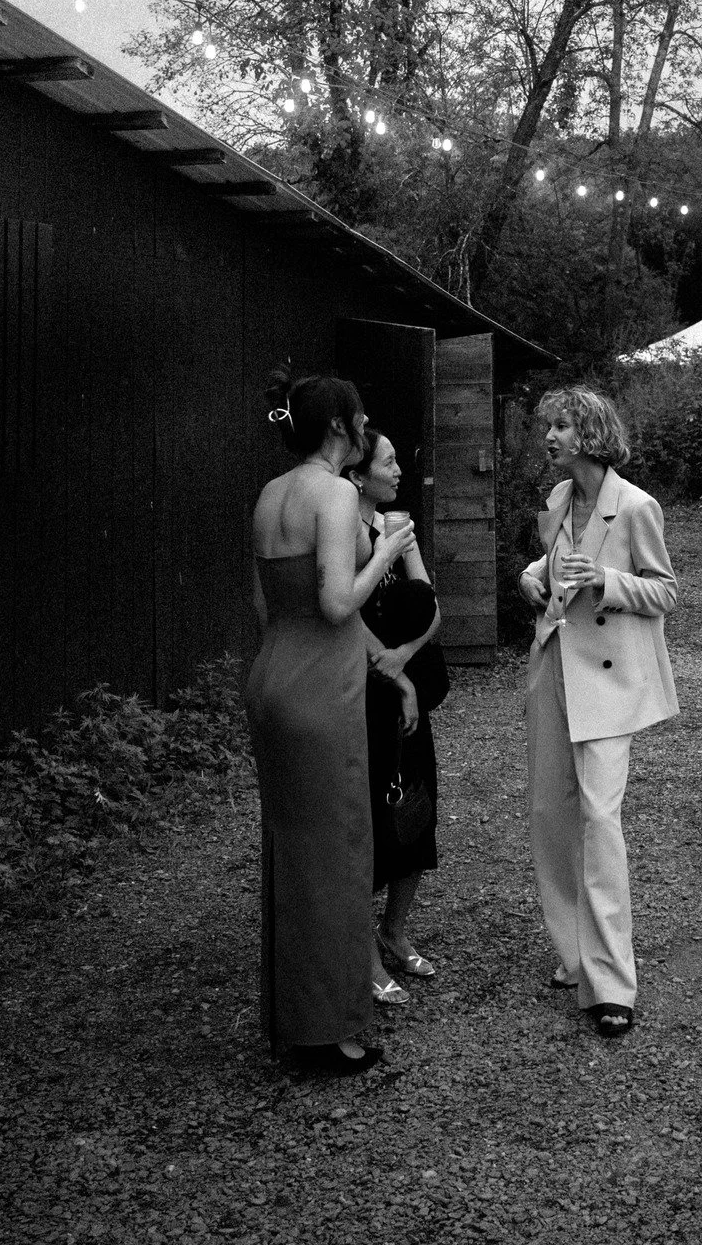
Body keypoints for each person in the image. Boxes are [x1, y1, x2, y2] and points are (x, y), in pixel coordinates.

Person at [246, 368, 416, 1075]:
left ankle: (295, 1020)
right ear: (341, 426)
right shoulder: (336, 493)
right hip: (323, 687)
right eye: (361, 416)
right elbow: (339, 603)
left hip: (272, 676)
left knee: (293, 854)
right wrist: (387, 550)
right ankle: (334, 1032)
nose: (366, 424)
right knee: (341, 852)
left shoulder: (270, 494)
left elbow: (264, 606)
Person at [520, 387, 678, 1037]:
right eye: (547, 426)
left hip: (607, 685)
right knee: (550, 814)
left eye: (560, 425)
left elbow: (665, 590)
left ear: (589, 434)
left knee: (599, 818)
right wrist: (534, 575)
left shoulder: (635, 506)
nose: (548, 436)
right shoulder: (560, 502)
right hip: (554, 666)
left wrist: (607, 583)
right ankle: (575, 954)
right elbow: (555, 564)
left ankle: (612, 983)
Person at [349, 429, 444, 1002]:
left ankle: (394, 931)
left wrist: (405, 659)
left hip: (402, 680)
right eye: (388, 462)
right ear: (359, 475)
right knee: (368, 818)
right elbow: (338, 610)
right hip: (359, 688)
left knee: (417, 807)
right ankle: (359, 948)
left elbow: (431, 608)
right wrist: (392, 672)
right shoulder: (343, 530)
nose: (398, 470)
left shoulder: (398, 525)